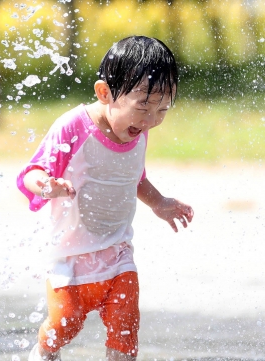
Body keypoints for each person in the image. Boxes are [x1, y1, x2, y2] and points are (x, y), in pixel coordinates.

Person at [16, 36, 194, 361]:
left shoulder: (136, 128)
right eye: (143, 105)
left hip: (117, 253)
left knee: (126, 329)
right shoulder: (72, 127)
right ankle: (43, 351)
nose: (151, 119)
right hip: (70, 257)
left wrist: (159, 202)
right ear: (104, 93)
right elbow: (31, 172)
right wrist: (46, 185)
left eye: (163, 109)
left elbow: (132, 175)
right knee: (64, 325)